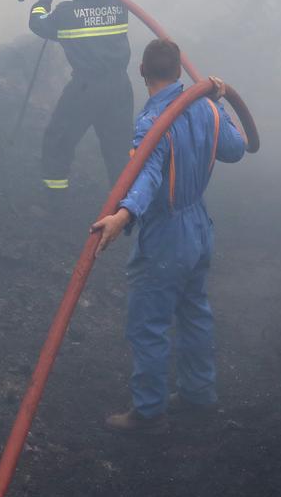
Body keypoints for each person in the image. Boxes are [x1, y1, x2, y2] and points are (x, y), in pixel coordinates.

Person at [90, 39, 246, 433]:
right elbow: (236, 149)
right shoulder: (207, 108)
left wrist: (121, 217)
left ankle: (148, 412)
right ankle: (198, 393)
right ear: (179, 71)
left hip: (166, 236)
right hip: (198, 227)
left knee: (149, 325)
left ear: (141, 71)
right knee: (194, 312)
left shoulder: (153, 122)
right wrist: (220, 102)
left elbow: (147, 175)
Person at [28, 0, 132, 193]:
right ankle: (123, 207)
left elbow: (38, 23)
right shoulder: (120, 4)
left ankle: (55, 194)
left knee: (60, 137)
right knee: (119, 149)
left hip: (86, 87)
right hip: (120, 87)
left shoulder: (66, 14)